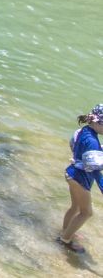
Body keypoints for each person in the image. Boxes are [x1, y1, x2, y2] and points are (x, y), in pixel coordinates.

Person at [61, 104, 103, 252]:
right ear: (98, 123)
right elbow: (96, 168)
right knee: (87, 213)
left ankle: (66, 231)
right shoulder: (93, 141)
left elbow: (73, 144)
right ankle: (65, 240)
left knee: (76, 207)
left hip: (71, 173)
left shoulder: (83, 131)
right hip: (80, 179)